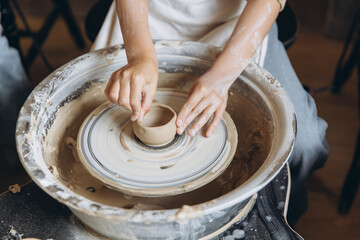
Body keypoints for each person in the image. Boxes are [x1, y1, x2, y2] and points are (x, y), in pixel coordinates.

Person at [92, 0, 329, 225]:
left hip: (238, 25)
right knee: (92, 108)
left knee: (305, 143)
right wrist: (140, 56)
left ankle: (286, 216)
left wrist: (221, 76)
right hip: (149, 20)